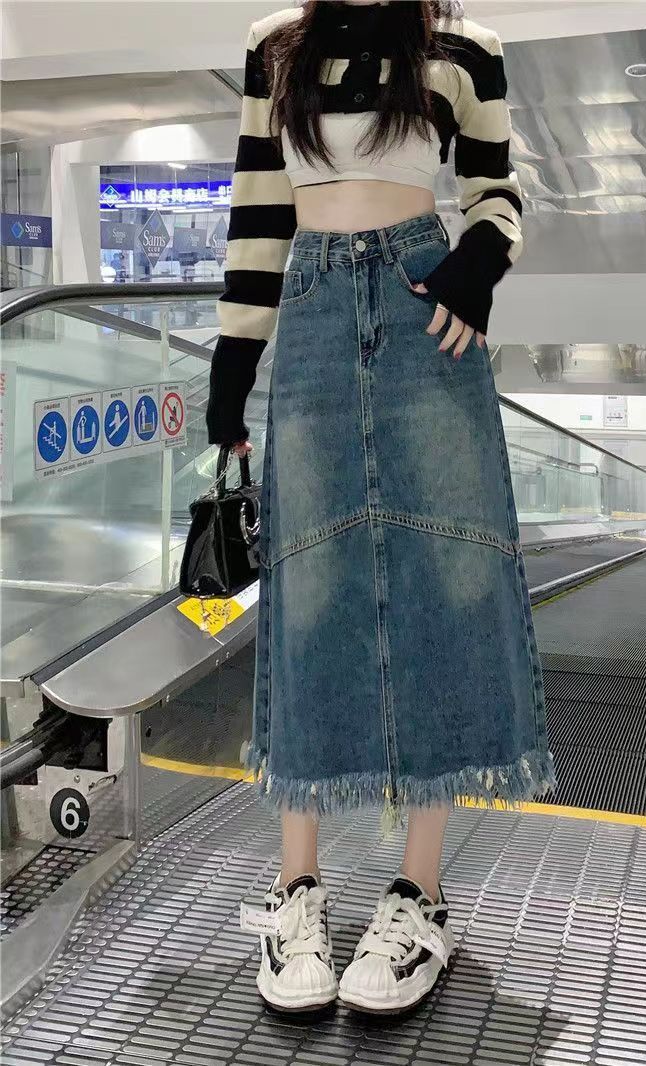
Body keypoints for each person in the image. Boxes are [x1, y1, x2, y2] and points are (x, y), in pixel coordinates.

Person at [206, 0, 554, 1017]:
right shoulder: (275, 44)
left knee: (449, 582)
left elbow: (496, 191)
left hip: (422, 310)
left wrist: (476, 267)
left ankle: (418, 895)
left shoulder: (463, 46)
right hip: (312, 315)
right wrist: (232, 368)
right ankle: (297, 892)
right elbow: (259, 213)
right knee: (309, 591)